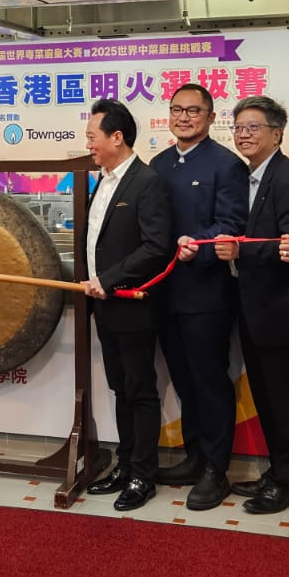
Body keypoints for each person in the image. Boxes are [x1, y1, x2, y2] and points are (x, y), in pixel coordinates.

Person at [215, 96, 289, 515]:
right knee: (268, 400)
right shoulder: (252, 177)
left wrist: (241, 250)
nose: (244, 134)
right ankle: (276, 473)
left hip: (280, 311)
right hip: (255, 310)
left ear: (277, 133)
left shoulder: (288, 179)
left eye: (253, 127)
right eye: (239, 127)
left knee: (285, 403)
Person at [150, 83, 246, 510]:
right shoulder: (158, 164)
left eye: (193, 111)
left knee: (209, 382)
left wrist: (199, 244)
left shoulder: (226, 164)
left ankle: (215, 470)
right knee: (185, 380)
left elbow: (232, 223)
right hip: (164, 292)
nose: (184, 117)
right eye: (177, 110)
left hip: (207, 294)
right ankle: (194, 457)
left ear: (210, 117)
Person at [78, 99, 174, 512]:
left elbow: (156, 246)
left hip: (132, 304)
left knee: (140, 390)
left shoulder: (147, 182)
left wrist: (109, 279)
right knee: (120, 388)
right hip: (103, 305)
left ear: (117, 137)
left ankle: (143, 475)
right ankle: (125, 464)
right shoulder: (102, 180)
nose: (88, 144)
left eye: (92, 137)